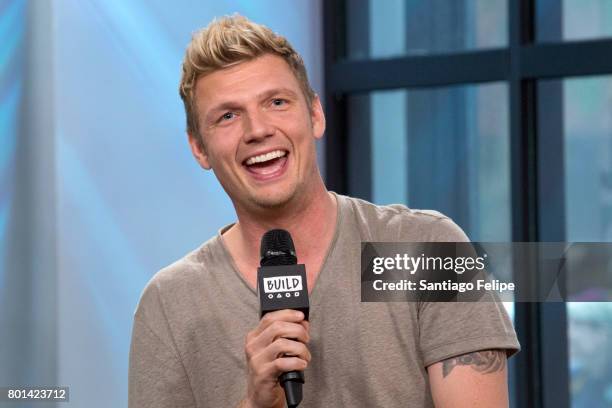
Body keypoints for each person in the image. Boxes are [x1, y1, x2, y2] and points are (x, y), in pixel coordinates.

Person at [128, 14, 520, 408]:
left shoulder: (426, 248)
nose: (257, 129)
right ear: (199, 147)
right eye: (228, 116)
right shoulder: (170, 304)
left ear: (315, 114)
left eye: (276, 102)